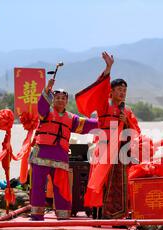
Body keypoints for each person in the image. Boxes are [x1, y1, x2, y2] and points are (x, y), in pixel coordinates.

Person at [75, 52, 141, 219]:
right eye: (119, 89)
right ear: (111, 91)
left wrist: (126, 121)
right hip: (104, 149)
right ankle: (98, 215)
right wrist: (108, 68)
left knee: (119, 184)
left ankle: (118, 216)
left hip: (121, 152)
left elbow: (136, 132)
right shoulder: (103, 105)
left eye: (125, 90)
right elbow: (100, 87)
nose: (123, 93)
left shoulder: (127, 111)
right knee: (102, 182)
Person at [29, 79, 98, 221]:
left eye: (63, 98)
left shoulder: (71, 118)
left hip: (60, 156)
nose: (60, 100)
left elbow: (87, 125)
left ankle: (63, 215)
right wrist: (47, 90)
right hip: (41, 153)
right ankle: (37, 215)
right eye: (57, 98)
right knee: (38, 186)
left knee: (62, 188)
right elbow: (41, 105)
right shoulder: (45, 113)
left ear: (67, 101)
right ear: (53, 100)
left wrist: (104, 121)